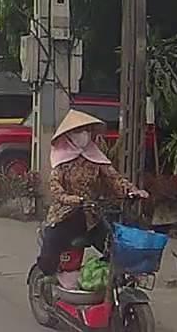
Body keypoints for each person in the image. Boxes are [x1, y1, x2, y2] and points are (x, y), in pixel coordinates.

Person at [35, 109, 149, 281]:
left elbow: (114, 178)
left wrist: (132, 191)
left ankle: (112, 284)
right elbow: (55, 188)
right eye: (79, 131)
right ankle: (47, 278)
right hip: (65, 216)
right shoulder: (61, 162)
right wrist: (70, 199)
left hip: (92, 216)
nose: (84, 135)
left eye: (87, 131)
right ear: (69, 136)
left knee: (114, 248)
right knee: (51, 248)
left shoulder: (95, 158)